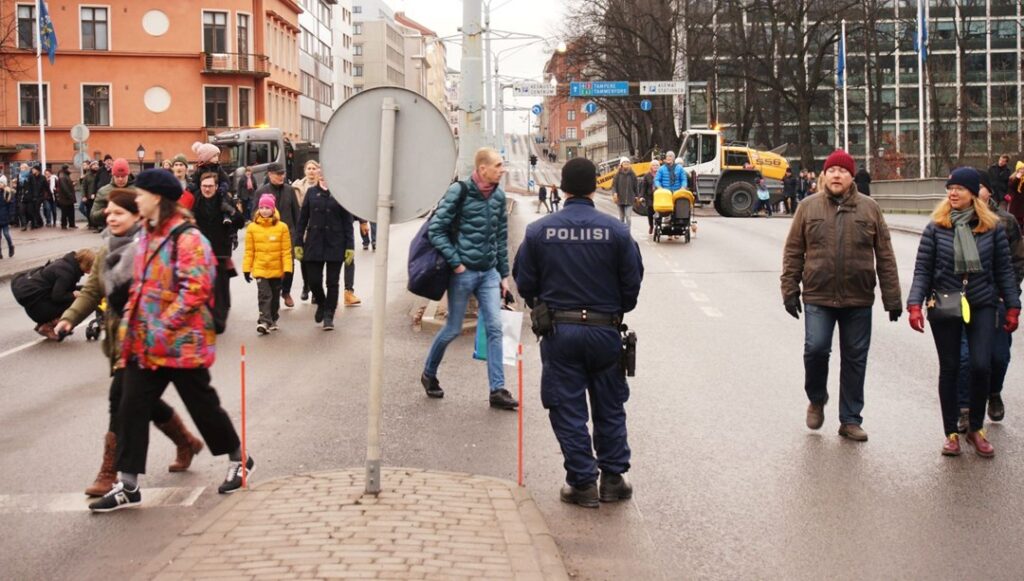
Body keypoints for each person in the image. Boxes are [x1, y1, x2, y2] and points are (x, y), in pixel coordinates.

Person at [89, 169, 253, 513]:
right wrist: (132, 322)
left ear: (157, 198)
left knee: (203, 406)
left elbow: (195, 290)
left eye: (141, 195)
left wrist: (162, 326)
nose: (136, 200)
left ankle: (240, 459)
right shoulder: (149, 234)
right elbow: (142, 285)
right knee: (131, 406)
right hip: (146, 344)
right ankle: (128, 484)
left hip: (181, 344)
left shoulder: (188, 238)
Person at [512, 157, 644, 507]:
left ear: (564, 189)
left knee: (566, 407)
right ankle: (613, 479)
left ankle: (582, 482)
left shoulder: (539, 231)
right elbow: (632, 284)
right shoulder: (617, 232)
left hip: (560, 332)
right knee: (610, 405)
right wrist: (613, 309)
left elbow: (525, 281)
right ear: (594, 187)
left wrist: (544, 304)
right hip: (605, 331)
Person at [55, 189, 204, 496]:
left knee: (121, 400)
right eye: (108, 212)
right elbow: (92, 290)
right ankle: (186, 441)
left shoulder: (151, 247)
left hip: (148, 338)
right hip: (119, 340)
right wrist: (70, 318)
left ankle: (110, 472)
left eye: (118, 213)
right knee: (140, 400)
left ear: (137, 215)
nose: (110, 217)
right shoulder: (106, 249)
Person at [781, 149, 902, 442]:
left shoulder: (869, 209)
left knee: (855, 359)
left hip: (857, 297)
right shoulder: (807, 207)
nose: (837, 175)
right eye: (832, 170)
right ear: (825, 175)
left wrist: (893, 299)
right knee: (816, 349)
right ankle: (816, 397)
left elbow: (885, 255)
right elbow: (794, 250)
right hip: (818, 295)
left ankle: (850, 419)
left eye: (843, 171)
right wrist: (789, 289)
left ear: (852, 177)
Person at [906, 168, 1021, 457]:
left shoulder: (992, 228)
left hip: (982, 303)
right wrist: (914, 304)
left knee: (981, 365)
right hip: (946, 304)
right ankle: (951, 434)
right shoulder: (936, 227)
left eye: (959, 188)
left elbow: (1004, 271)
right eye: (950, 188)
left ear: (973, 193)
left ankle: (975, 429)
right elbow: (923, 270)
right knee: (951, 367)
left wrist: (1012, 307)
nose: (953, 193)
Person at [420, 147, 517, 410]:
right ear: (482, 169)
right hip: (463, 273)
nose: (502, 170)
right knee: (452, 328)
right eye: (498, 165)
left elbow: (500, 238)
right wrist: (457, 263)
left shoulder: (498, 196)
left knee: (495, 328)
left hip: (489, 273)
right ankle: (429, 373)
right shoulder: (459, 191)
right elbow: (436, 229)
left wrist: (503, 276)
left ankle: (497, 389)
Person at [295, 177, 353, 330]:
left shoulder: (341, 193)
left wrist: (350, 246)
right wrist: (298, 242)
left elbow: (348, 222)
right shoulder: (311, 192)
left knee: (332, 282)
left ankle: (329, 315)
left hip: (336, 243)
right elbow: (302, 219)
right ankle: (321, 303)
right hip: (314, 242)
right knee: (313, 280)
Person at [192, 172, 245, 334]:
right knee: (202, 285)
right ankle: (204, 318)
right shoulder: (195, 201)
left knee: (221, 287)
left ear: (216, 187)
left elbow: (241, 222)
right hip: (200, 251)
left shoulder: (225, 200)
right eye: (204, 186)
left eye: (210, 186)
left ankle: (219, 319)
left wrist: (231, 211)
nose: (207, 189)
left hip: (221, 251)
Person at [11, 248, 95, 339]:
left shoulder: (67, 265)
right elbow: (58, 296)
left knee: (77, 297)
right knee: (80, 302)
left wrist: (88, 288)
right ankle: (48, 326)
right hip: (39, 310)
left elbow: (66, 288)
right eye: (92, 266)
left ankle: (43, 324)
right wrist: (74, 295)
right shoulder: (67, 273)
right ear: (85, 264)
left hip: (35, 306)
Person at [243, 193, 293, 334]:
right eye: (262, 207)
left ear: (273, 209)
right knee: (264, 295)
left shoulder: (282, 227)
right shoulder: (252, 228)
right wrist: (246, 269)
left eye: (267, 208)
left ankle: (273, 318)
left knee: (275, 297)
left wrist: (287, 269)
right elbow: (249, 251)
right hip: (260, 268)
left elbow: (286, 251)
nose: (264, 210)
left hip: (276, 270)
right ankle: (264, 321)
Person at [254, 163, 302, 307]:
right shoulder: (261, 192)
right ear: (270, 174)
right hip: (269, 235)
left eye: (283, 174)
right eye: (278, 174)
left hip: (288, 234)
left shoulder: (290, 190)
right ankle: (273, 293)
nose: (282, 176)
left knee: (289, 265)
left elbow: (297, 214)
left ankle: (286, 292)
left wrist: (299, 236)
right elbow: (254, 215)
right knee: (272, 265)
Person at [291, 160, 321, 302]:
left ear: (318, 170)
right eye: (308, 168)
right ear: (304, 171)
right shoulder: (297, 187)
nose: (311, 171)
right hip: (302, 227)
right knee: (304, 260)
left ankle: (316, 291)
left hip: (317, 228)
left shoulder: (322, 186)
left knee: (317, 261)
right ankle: (306, 285)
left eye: (314, 168)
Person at [91, 158, 133, 230]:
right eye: (117, 176)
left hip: (134, 231)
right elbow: (93, 216)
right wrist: (106, 211)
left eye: (123, 176)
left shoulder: (137, 190)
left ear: (128, 175)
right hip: (111, 230)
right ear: (112, 175)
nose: (120, 179)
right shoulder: (103, 191)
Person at [612, 157, 638, 225]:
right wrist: (614, 193)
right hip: (620, 200)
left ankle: (627, 231)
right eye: (624, 162)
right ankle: (621, 231)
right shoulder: (617, 174)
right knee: (621, 218)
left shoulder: (633, 174)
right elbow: (614, 186)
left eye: (627, 162)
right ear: (621, 164)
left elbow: (636, 186)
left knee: (628, 218)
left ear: (629, 164)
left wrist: (637, 196)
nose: (626, 163)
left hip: (630, 199)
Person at [638, 160, 660, 236]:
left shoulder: (661, 174)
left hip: (659, 196)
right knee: (650, 212)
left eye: (657, 165)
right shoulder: (647, 175)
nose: (655, 167)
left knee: (659, 212)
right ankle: (651, 226)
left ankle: (658, 226)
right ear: (651, 167)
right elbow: (643, 188)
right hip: (650, 197)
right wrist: (641, 196)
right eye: (654, 165)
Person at [55, 165, 78, 229]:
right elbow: (64, 187)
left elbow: (67, 185)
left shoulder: (65, 175)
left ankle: (71, 224)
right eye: (69, 168)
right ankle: (64, 224)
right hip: (65, 198)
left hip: (67, 197)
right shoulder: (62, 176)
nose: (70, 169)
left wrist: (72, 184)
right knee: (65, 212)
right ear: (66, 169)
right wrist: (70, 195)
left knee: (70, 211)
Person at [0, 173, 15, 258]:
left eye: (1, 183)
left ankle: (11, 246)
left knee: (6, 234)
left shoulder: (8, 193)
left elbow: (11, 206)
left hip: (5, 217)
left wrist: (11, 216)